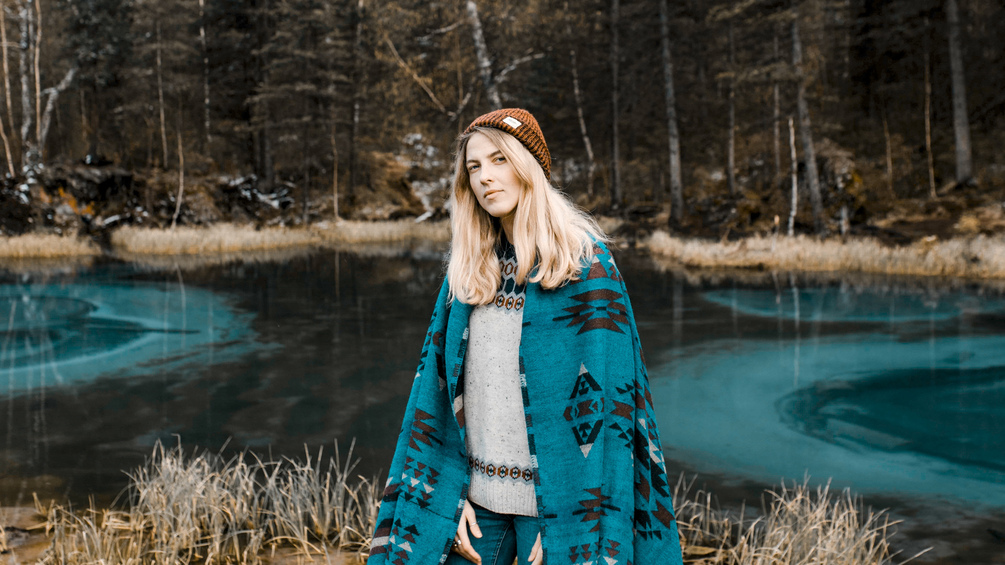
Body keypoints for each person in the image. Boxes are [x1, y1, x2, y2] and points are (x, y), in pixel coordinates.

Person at [368, 108, 682, 565]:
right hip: (475, 504)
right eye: (474, 167)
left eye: (499, 160)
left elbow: (613, 410)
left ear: (528, 167)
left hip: (559, 506)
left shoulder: (586, 267)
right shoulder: (469, 272)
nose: (485, 177)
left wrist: (571, 523)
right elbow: (434, 395)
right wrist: (445, 499)